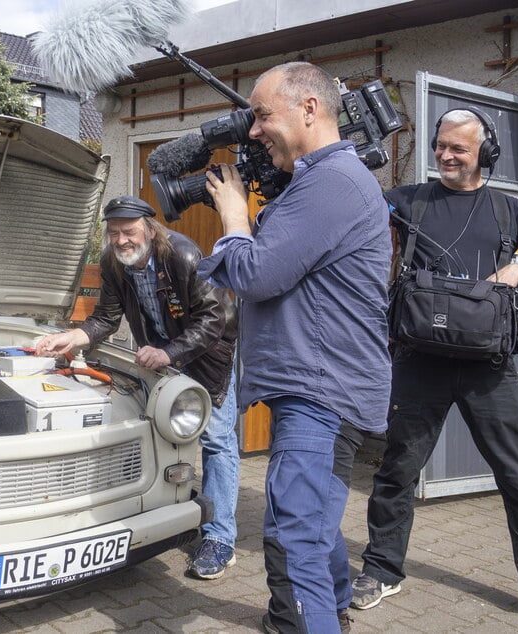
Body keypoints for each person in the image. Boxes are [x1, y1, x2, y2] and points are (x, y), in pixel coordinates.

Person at [197, 61, 391, 633]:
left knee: (296, 534)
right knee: (314, 526)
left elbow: (255, 274)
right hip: (318, 387)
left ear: (309, 109)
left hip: (319, 391)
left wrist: (235, 216)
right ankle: (331, 616)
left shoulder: (331, 182)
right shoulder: (322, 182)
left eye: (262, 115)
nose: (253, 130)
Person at [351, 108, 518, 626]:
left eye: (457, 148)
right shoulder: (408, 199)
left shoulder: (512, 212)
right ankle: (383, 570)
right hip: (420, 362)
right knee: (397, 471)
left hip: (490, 367)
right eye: (440, 145)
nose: (444, 155)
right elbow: (347, 211)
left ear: (484, 152)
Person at [34, 195, 240, 580]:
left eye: (128, 231)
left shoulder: (183, 254)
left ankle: (220, 538)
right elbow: (106, 317)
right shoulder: (114, 261)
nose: (121, 240)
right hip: (161, 353)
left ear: (149, 228)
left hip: (209, 352)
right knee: (160, 433)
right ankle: (163, 510)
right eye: (113, 232)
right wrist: (75, 336)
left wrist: (169, 353)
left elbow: (213, 319)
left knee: (216, 439)